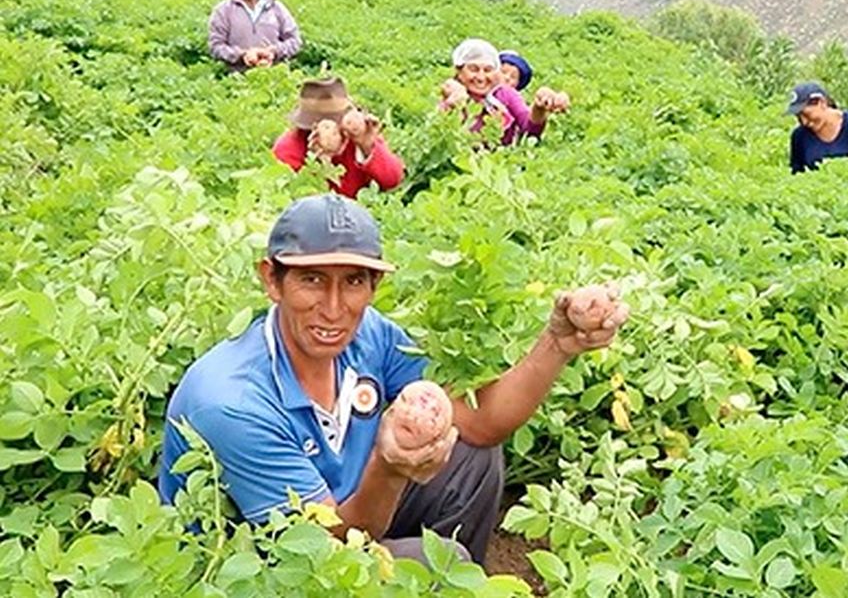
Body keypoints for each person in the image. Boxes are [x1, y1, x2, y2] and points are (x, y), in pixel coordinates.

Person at [157, 194, 630, 563]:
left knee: (471, 456)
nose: (335, 308)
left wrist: (557, 343)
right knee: (431, 561)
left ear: (374, 286)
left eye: (354, 282)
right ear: (271, 280)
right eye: (312, 280)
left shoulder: (370, 335)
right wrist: (389, 466)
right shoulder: (231, 401)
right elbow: (319, 550)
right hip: (262, 564)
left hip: (347, 511)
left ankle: (456, 583)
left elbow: (484, 423)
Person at [272, 77, 405, 199]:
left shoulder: (358, 136)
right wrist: (320, 164)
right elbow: (303, 207)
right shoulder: (287, 148)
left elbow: (392, 179)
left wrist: (368, 147)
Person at [438, 38, 569, 147]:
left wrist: (539, 108)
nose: (481, 77)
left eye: (488, 70)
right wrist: (450, 104)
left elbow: (529, 129)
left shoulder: (505, 94)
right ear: (459, 71)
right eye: (473, 69)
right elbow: (436, 134)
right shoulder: (452, 91)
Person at [208, 0, 302, 72]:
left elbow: (295, 41)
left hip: (274, 78)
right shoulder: (223, 11)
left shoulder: (277, 8)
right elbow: (215, 47)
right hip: (236, 80)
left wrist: (273, 52)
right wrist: (242, 55)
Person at [786, 82, 848, 173]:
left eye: (806, 114)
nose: (804, 122)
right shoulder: (799, 136)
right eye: (798, 116)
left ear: (822, 103)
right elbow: (797, 175)